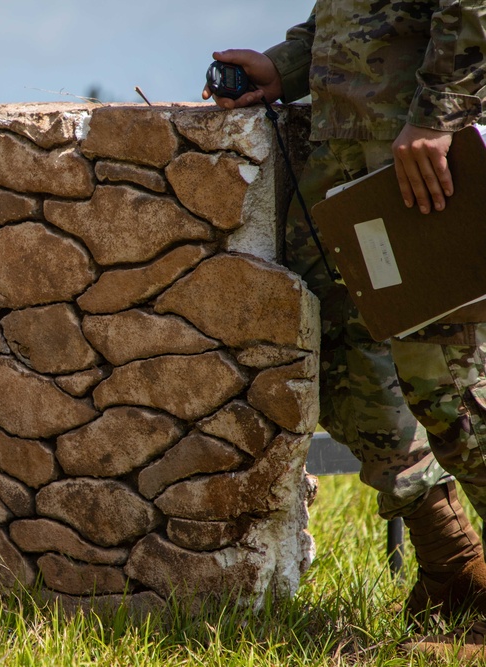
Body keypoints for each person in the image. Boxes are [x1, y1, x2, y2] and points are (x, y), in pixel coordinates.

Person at [203, 1, 486, 656]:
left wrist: (436, 117)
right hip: (344, 165)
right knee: (332, 365)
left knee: (452, 393)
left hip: (416, 166)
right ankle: (452, 565)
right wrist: (282, 66)